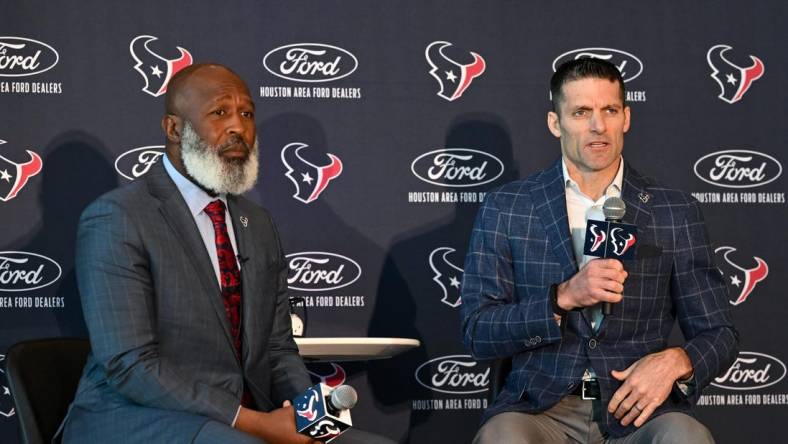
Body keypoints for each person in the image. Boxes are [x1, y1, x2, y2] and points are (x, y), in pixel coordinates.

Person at [61, 63, 392, 444]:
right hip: (138, 419)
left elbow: (278, 346)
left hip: (244, 417)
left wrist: (308, 417)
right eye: (220, 113)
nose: (239, 128)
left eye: (247, 114)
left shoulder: (258, 223)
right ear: (173, 128)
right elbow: (129, 364)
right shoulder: (119, 217)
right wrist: (250, 422)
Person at [460, 58, 738, 443]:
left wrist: (679, 360)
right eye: (581, 112)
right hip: (541, 411)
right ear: (555, 123)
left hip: (639, 412)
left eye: (609, 110)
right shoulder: (508, 207)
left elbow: (718, 332)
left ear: (626, 117)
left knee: (686, 437)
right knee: (501, 438)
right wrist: (561, 298)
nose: (598, 126)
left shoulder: (673, 210)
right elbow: (478, 332)